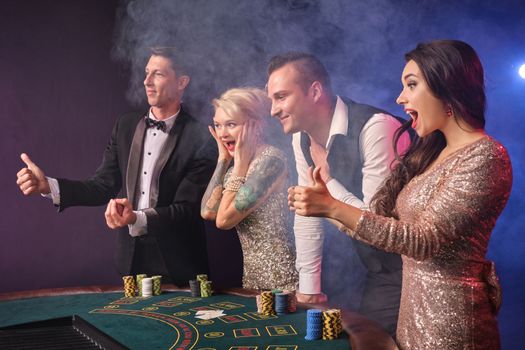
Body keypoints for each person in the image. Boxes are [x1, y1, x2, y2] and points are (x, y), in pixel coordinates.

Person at [289, 40, 512, 349]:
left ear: (445, 85)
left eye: (411, 85)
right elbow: (378, 224)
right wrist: (328, 201)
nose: (400, 98)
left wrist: (331, 206)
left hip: (452, 326)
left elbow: (421, 241)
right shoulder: (433, 154)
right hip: (411, 314)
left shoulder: (486, 155)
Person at [16, 47, 217, 286]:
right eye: (146, 73)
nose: (147, 81)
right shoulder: (126, 125)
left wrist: (135, 217)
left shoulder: (201, 137)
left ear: (182, 82)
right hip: (130, 264)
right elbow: (102, 185)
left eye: (158, 74)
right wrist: (47, 186)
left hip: (181, 267)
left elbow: (186, 210)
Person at [266, 52, 410, 336]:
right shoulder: (300, 137)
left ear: (315, 91)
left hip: (409, 268)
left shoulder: (376, 127)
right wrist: (309, 289)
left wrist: (328, 179)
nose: (273, 110)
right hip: (365, 266)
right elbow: (307, 210)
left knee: (372, 341)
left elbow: (377, 224)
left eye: (281, 97)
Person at [201, 87, 298, 291]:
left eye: (231, 124)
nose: (223, 133)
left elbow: (223, 220)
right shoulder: (240, 164)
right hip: (253, 281)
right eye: (218, 125)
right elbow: (208, 212)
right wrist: (223, 160)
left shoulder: (271, 160)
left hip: (282, 282)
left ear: (257, 126)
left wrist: (238, 167)